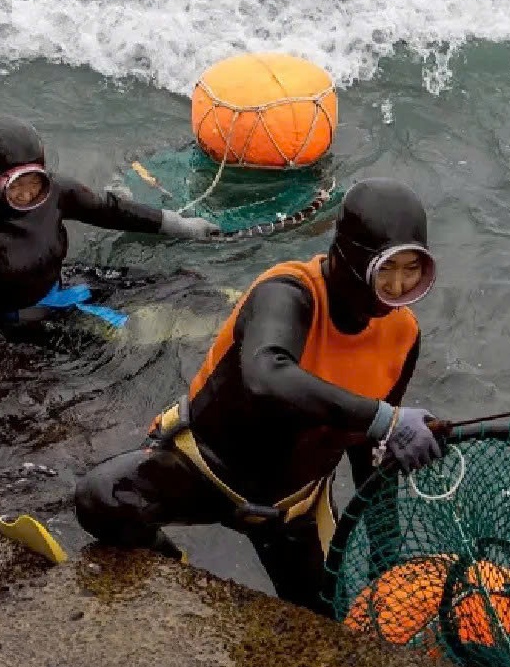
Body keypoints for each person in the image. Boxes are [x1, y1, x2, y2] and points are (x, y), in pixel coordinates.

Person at [74, 178, 441, 614]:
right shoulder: (288, 293)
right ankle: (172, 570)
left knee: (327, 618)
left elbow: (369, 446)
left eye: (411, 269)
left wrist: (387, 550)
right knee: (100, 499)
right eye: (386, 268)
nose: (398, 287)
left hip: (292, 508)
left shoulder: (403, 335)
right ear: (348, 256)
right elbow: (266, 375)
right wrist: (385, 419)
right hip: (206, 470)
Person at [0, 117, 218, 377]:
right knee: (129, 344)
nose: (28, 195)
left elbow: (109, 210)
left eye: (35, 181)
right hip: (9, 320)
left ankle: (228, 305)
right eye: (17, 186)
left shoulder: (54, 191)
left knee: (183, 284)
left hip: (64, 284)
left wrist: (173, 223)